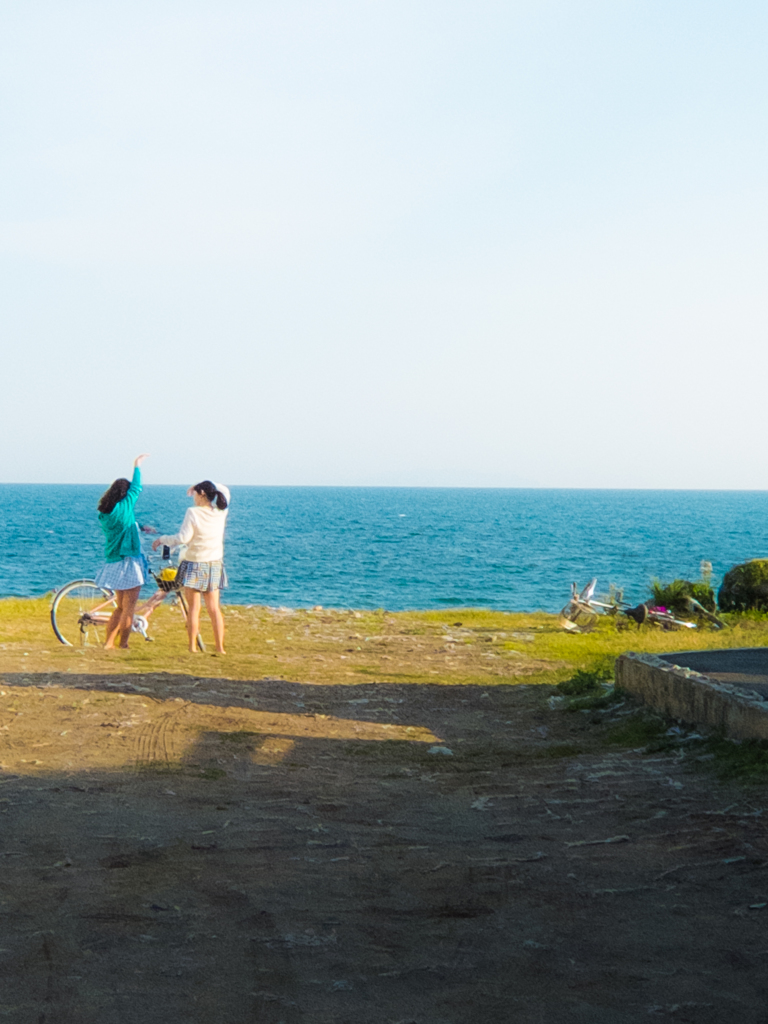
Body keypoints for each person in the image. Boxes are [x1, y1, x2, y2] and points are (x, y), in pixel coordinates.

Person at [153, 481, 230, 654]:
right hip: (214, 564)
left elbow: (183, 538)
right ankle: (220, 648)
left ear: (201, 493)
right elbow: (225, 491)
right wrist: (202, 485)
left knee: (194, 608)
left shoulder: (193, 512)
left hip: (194, 563)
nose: (193, 497)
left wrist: (163, 539)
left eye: (195, 493)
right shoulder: (221, 512)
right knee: (214, 609)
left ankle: (192, 647)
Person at [96, 454, 151, 649]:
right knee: (129, 608)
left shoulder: (105, 514)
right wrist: (137, 466)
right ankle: (124, 644)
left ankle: (108, 643)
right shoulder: (125, 506)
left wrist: (140, 526)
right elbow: (136, 488)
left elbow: (124, 526)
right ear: (124, 495)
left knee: (119, 607)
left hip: (113, 561)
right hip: (129, 562)